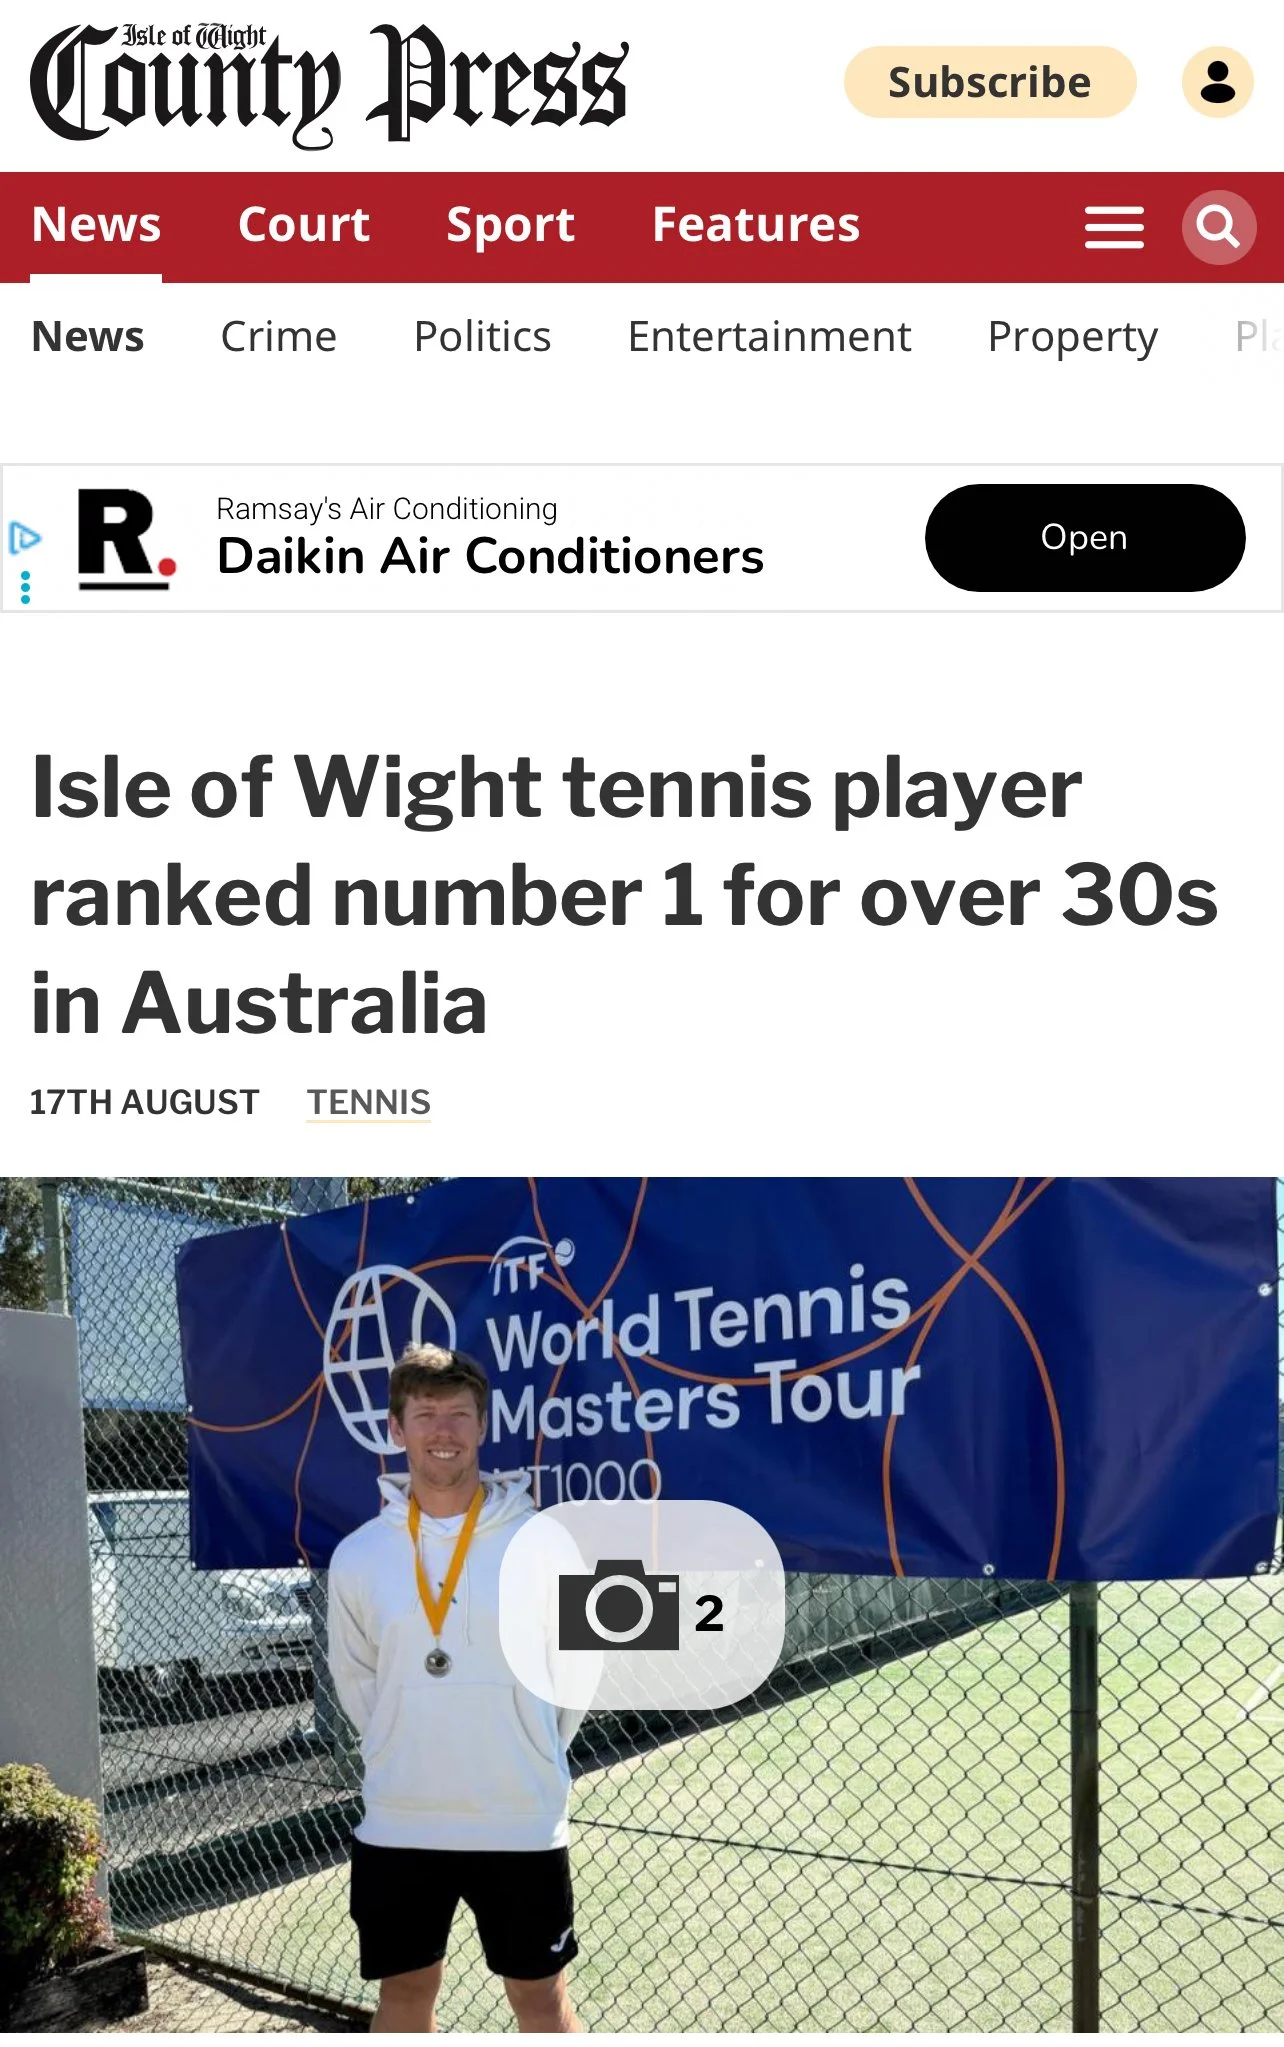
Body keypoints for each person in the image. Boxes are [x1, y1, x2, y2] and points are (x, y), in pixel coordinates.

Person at [328, 1341, 585, 2033]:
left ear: (484, 1424)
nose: (443, 1430)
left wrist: (529, 1748)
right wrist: (402, 1736)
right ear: (396, 1427)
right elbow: (358, 1683)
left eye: (459, 1414)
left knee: (542, 2001)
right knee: (405, 1998)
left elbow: (574, 1674)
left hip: (518, 1816)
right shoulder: (358, 1555)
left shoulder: (543, 1540)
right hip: (402, 1818)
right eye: (425, 1413)